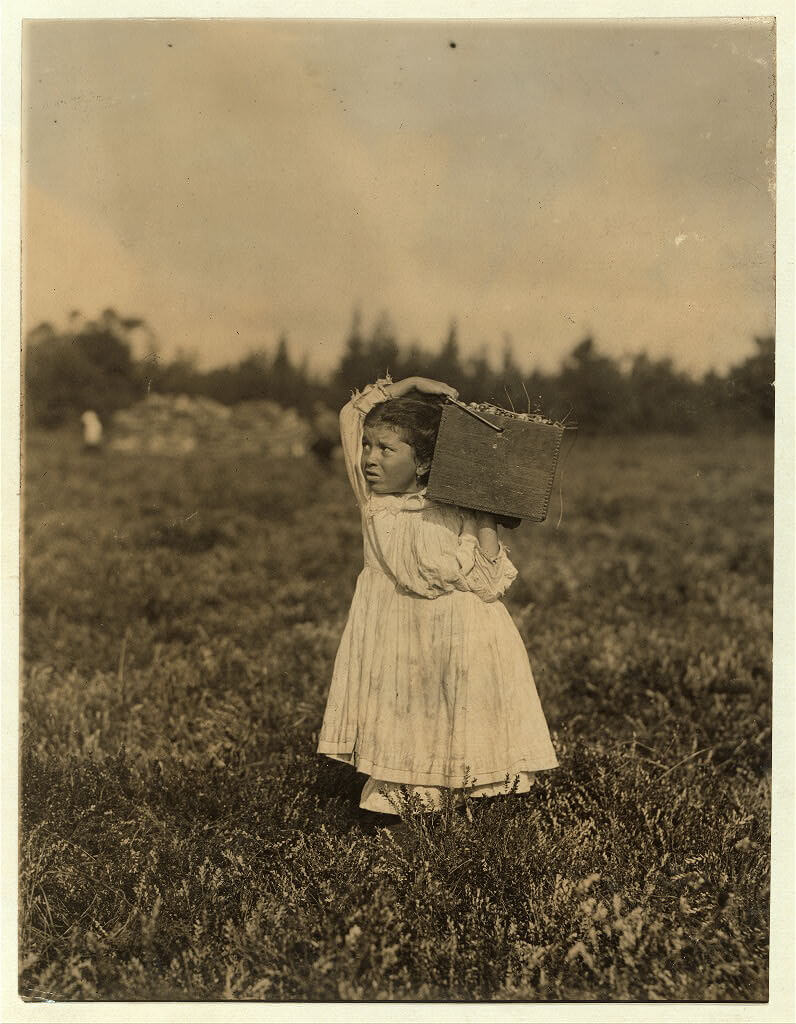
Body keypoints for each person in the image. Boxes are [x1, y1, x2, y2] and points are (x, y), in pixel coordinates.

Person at [317, 375, 558, 816]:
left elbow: (489, 585)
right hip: (399, 640)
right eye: (369, 446)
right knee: (407, 730)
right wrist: (408, 385)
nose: (370, 458)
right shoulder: (374, 501)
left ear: (424, 464)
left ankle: (467, 834)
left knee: (463, 729)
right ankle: (403, 831)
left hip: (464, 640)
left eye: (386, 449)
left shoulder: (457, 509)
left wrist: (484, 512)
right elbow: (351, 415)